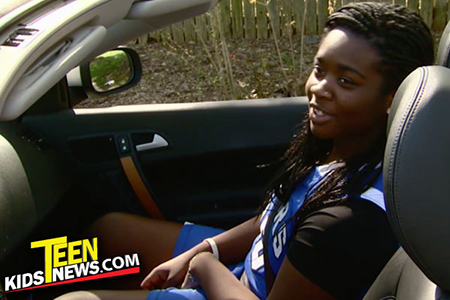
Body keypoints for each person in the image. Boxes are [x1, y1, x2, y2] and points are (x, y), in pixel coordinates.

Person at [56, 2, 434, 300]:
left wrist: (205, 266)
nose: (319, 88)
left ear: (392, 98)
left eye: (347, 80)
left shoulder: (349, 221)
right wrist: (207, 249)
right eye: (320, 69)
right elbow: (276, 215)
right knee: (108, 231)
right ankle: (28, 283)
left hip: (244, 287)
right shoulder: (339, 147)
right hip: (250, 266)